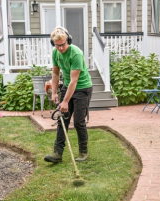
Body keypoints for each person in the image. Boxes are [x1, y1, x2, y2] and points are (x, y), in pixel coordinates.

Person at [44, 26, 93, 163]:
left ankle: (83, 152)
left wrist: (65, 101)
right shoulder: (56, 52)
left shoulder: (75, 54)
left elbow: (74, 81)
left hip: (82, 88)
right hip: (67, 87)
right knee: (62, 119)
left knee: (78, 121)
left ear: (68, 41)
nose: (60, 48)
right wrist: (53, 92)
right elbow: (55, 73)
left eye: (63, 44)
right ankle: (57, 154)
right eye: (57, 45)